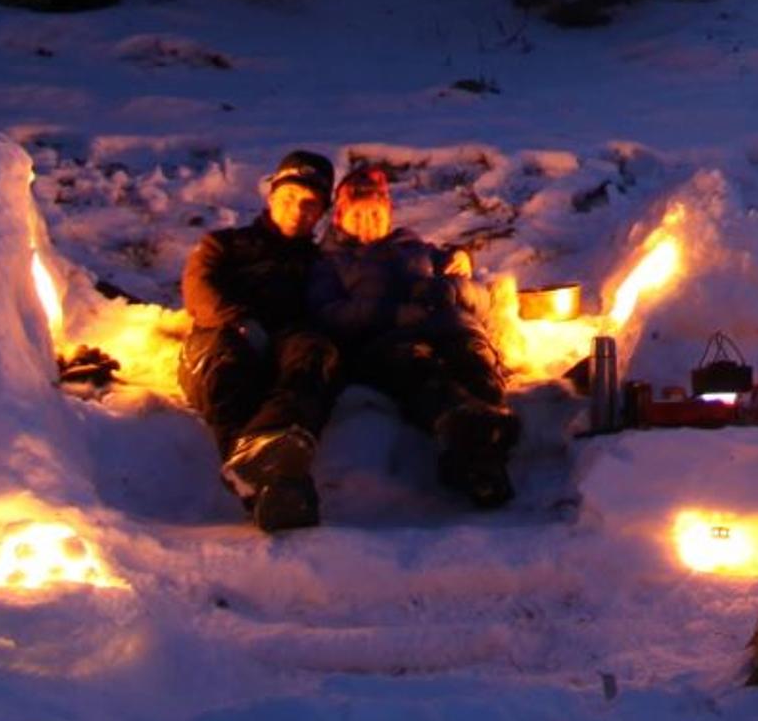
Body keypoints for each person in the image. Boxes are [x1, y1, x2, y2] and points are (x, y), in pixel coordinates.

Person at [309, 159, 518, 507]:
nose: (367, 224)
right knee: (423, 374)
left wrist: (451, 288)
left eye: (375, 214)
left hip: (452, 330)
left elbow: (480, 301)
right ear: (340, 217)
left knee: (477, 367)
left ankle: (482, 454)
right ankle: (468, 440)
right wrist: (392, 313)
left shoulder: (416, 248)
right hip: (388, 341)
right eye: (358, 215)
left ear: (389, 215)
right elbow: (328, 313)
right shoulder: (331, 262)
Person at [179, 149, 341, 531]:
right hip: (220, 338)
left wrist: (454, 259)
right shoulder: (224, 244)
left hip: (286, 343)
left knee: (314, 355)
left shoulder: (321, 262)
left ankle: (272, 466)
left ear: (321, 212)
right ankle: (269, 485)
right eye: (289, 197)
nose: (297, 210)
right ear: (271, 197)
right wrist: (238, 320)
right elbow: (199, 288)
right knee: (229, 363)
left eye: (310, 203)